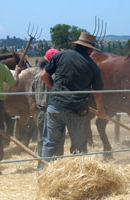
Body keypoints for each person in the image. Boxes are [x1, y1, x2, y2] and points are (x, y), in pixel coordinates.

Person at [40, 32, 106, 167]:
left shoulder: (60, 55)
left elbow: (44, 76)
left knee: (50, 143)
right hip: (77, 109)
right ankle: (78, 176)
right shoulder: (92, 66)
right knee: (79, 147)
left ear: (77, 45)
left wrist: (55, 90)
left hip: (55, 107)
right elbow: (98, 92)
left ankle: (43, 174)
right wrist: (100, 110)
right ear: (90, 48)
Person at [29, 48, 65, 158]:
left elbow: (32, 95)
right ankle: (57, 165)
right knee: (59, 140)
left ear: (45, 60)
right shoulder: (59, 77)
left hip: (42, 112)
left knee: (41, 139)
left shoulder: (37, 76)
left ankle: (42, 164)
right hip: (57, 112)